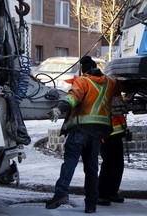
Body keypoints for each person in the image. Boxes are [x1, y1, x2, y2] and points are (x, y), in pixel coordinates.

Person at [46, 56, 121, 214]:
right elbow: (121, 85)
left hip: (80, 130)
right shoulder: (109, 82)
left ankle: (61, 194)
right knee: (92, 168)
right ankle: (91, 204)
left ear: (83, 70)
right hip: (97, 133)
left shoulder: (83, 81)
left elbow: (73, 98)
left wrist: (60, 107)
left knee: (70, 162)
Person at [98, 112, 127, 206]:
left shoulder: (116, 97)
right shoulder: (105, 97)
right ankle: (102, 195)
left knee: (118, 164)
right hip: (107, 133)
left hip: (117, 133)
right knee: (109, 164)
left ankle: (112, 193)